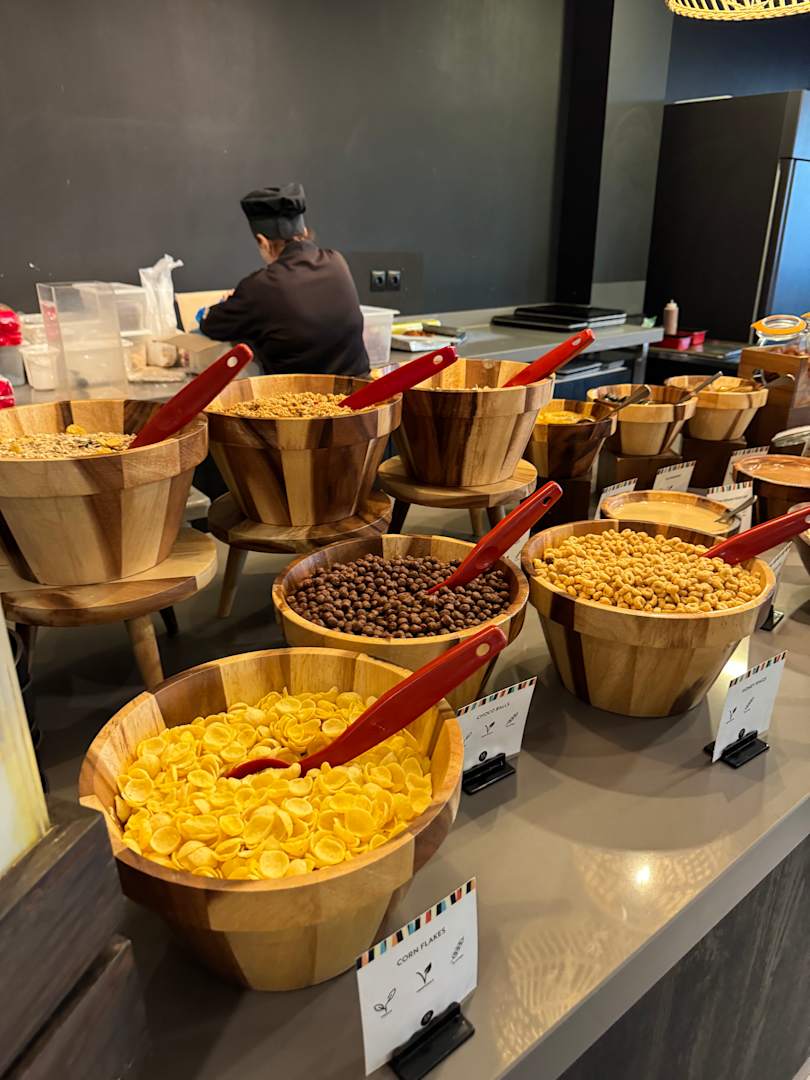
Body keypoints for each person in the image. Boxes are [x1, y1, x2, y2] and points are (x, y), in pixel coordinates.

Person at [200, 183, 369, 376]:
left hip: (302, 394)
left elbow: (212, 325)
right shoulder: (336, 261)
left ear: (263, 241)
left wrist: (231, 302)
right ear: (304, 232)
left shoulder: (261, 286)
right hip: (360, 390)